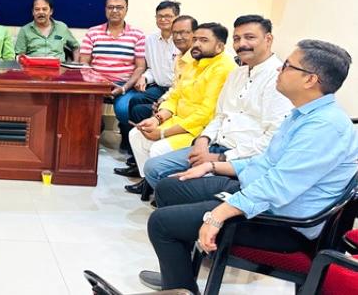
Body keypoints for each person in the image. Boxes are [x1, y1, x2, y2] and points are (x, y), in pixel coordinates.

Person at [140, 39, 357, 293]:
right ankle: (177, 274)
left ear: (310, 79)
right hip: (257, 195)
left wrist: (218, 215)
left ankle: (181, 288)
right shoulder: (302, 114)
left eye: (288, 66)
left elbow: (278, 187)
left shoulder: (325, 127)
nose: (279, 69)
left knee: (161, 224)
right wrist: (211, 167)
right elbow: (265, 162)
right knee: (170, 187)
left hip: (279, 221)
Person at [142, 15, 293, 188]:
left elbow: (273, 138)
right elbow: (220, 115)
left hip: (243, 158)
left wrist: (221, 158)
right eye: (237, 39)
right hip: (215, 143)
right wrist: (203, 140)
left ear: (268, 39)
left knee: (170, 186)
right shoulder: (237, 74)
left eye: (250, 37)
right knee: (154, 168)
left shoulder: (278, 78)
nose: (242, 44)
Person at [126, 23, 236, 196]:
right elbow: (175, 96)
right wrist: (157, 119)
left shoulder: (223, 68)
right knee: (136, 135)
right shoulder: (192, 61)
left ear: (219, 46)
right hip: (178, 120)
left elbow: (206, 114)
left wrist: (163, 133)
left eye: (203, 40)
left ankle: (167, 193)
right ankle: (153, 185)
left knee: (157, 149)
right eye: (195, 39)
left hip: (198, 130)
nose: (196, 44)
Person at [115, 14, 197, 178]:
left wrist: (162, 111)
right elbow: (164, 79)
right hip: (164, 91)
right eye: (176, 33)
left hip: (185, 114)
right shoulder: (155, 43)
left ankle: (145, 167)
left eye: (184, 33)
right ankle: (136, 159)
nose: (179, 37)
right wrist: (147, 81)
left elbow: (184, 96)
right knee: (137, 102)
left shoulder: (200, 61)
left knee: (140, 110)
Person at [78, 0, 146, 154]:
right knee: (79, 109)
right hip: (96, 83)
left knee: (124, 110)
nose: (114, 11)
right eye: (110, 7)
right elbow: (84, 63)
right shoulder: (93, 32)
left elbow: (140, 67)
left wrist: (123, 88)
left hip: (124, 84)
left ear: (126, 9)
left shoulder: (137, 35)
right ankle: (93, 134)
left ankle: (126, 136)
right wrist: (98, 84)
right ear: (105, 9)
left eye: (119, 7)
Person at [15, 0, 79, 61]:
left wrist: (75, 63)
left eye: (44, 9)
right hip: (34, 66)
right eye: (37, 9)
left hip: (59, 66)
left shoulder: (62, 27)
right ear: (33, 12)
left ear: (51, 11)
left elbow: (76, 47)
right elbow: (20, 55)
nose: (41, 12)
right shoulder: (25, 30)